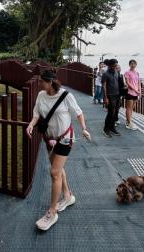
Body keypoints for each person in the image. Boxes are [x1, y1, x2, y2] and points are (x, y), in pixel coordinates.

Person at [26, 69, 90, 231]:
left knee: (54, 172)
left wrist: (83, 128)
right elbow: (36, 114)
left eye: (42, 81)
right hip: (49, 138)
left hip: (65, 138)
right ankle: (67, 196)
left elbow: (79, 113)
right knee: (58, 169)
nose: (40, 84)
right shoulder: (41, 95)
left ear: (50, 82)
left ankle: (52, 212)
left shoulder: (66, 95)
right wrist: (31, 125)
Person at [102, 59, 121, 137]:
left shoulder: (117, 73)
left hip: (117, 95)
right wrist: (105, 98)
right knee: (111, 113)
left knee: (116, 113)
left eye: (116, 65)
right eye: (114, 65)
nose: (116, 66)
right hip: (110, 96)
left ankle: (112, 128)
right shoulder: (105, 74)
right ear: (110, 65)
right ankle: (106, 129)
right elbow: (104, 86)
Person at [124, 59, 141, 130]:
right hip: (130, 92)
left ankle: (128, 121)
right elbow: (128, 83)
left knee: (132, 108)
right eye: (131, 63)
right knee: (129, 108)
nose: (133, 65)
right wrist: (135, 90)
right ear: (129, 64)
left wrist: (140, 91)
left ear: (136, 64)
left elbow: (139, 83)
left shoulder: (137, 73)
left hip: (136, 93)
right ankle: (129, 123)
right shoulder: (127, 72)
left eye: (134, 63)